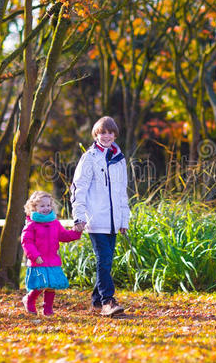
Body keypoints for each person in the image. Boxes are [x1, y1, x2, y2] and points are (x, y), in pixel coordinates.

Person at [70, 116, 130, 316]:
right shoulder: (90, 158)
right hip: (95, 220)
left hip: (113, 223)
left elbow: (122, 191)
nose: (106, 136)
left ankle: (96, 301)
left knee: (106, 261)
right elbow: (79, 188)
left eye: (110, 132)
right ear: (96, 135)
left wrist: (123, 220)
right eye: (102, 132)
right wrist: (79, 217)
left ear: (115, 135)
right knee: (103, 260)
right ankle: (107, 302)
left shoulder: (120, 159)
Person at [21, 190, 83, 316]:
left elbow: (63, 235)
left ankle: (47, 308)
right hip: (38, 260)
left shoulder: (54, 223)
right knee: (40, 285)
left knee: (51, 285)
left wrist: (76, 232)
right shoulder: (31, 225)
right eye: (42, 206)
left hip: (52, 260)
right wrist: (34, 256)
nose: (46, 208)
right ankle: (29, 299)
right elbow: (27, 242)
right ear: (34, 207)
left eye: (48, 205)